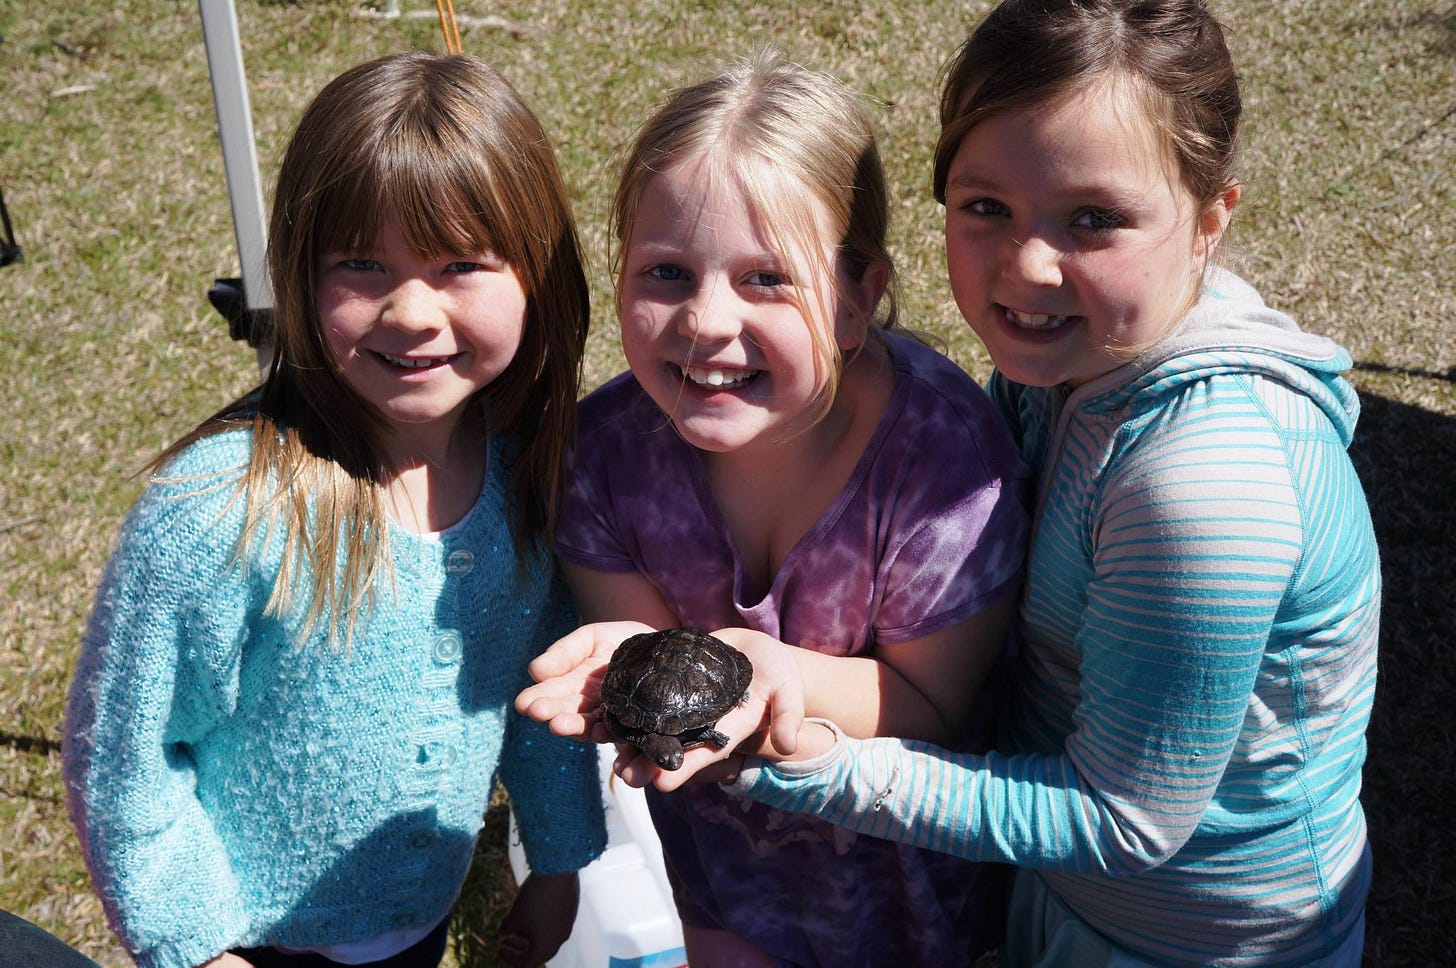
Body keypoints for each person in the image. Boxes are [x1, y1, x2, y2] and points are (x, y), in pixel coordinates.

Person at [639, 2, 1378, 966]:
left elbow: (1124, 822)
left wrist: (809, 765)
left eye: (1094, 220)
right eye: (986, 206)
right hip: (1054, 900)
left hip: (1197, 941)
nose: (1028, 267)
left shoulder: (1201, 486)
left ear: (1209, 220)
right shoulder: (1076, 365)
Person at [62, 51, 605, 968]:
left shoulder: (528, 479)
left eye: (461, 262)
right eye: (361, 262)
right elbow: (125, 759)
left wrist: (558, 862)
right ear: (298, 268)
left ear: (539, 276)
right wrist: (196, 947)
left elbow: (538, 695)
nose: (412, 311)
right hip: (249, 944)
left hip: (422, 921)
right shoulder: (216, 516)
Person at [517, 51, 1031, 967]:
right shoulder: (600, 458)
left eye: (767, 279)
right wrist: (637, 684)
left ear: (857, 295)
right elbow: (644, 663)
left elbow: (931, 701)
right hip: (723, 863)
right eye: (666, 273)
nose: (707, 322)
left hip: (912, 870)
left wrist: (756, 667)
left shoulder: (945, 464)